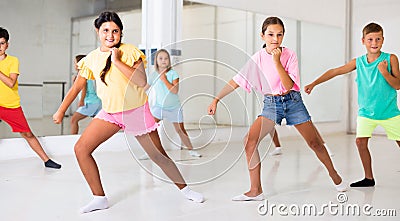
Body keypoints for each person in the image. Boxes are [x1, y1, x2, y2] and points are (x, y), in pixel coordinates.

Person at [53, 11, 204, 213]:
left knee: (158, 156)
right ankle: (99, 198)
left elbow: (142, 82)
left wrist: (117, 61)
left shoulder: (130, 52)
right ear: (97, 31)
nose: (110, 35)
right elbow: (76, 87)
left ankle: (185, 190)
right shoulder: (91, 59)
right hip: (110, 114)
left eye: (115, 31)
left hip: (136, 112)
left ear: (121, 33)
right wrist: (61, 111)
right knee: (81, 149)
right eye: (105, 30)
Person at [207, 16, 346, 201]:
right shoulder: (256, 58)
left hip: (293, 102)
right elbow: (236, 81)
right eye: (271, 34)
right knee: (250, 141)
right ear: (262, 36)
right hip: (271, 105)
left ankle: (335, 177)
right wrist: (216, 99)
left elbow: (288, 85)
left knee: (315, 143)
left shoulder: (289, 55)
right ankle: (255, 190)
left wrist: (277, 61)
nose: (275, 39)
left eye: (279, 35)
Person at [304, 22, 400, 188]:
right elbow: (335, 71)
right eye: (370, 39)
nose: (374, 43)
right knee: (360, 143)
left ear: (383, 40)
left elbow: (398, 85)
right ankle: (369, 178)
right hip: (366, 113)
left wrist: (384, 72)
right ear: (363, 41)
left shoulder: (390, 59)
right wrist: (314, 83)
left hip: (389, 112)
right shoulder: (359, 62)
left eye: (378, 39)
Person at [0, 27, 61, 169]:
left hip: (10, 105)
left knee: (27, 133)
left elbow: (11, 82)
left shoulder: (13, 61)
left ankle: (46, 160)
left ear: (7, 44)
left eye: (2, 43)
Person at [143, 49, 201, 158]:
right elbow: (144, 89)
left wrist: (164, 79)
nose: (163, 60)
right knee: (149, 127)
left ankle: (191, 150)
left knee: (180, 130)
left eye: (166, 58)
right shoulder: (153, 75)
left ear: (169, 61)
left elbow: (175, 90)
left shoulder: (173, 73)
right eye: (161, 58)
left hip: (174, 108)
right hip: (159, 107)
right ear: (156, 61)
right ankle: (150, 151)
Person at [70, 54, 102, 134]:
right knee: (96, 123)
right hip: (96, 102)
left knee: (73, 120)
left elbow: (83, 89)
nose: (75, 65)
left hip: (90, 102)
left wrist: (81, 101)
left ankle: (72, 139)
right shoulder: (87, 73)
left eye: (75, 62)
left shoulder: (83, 74)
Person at [268, 125, 334, 156]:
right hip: (273, 101)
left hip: (291, 102)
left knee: (307, 123)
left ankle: (325, 146)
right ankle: (278, 147)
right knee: (268, 123)